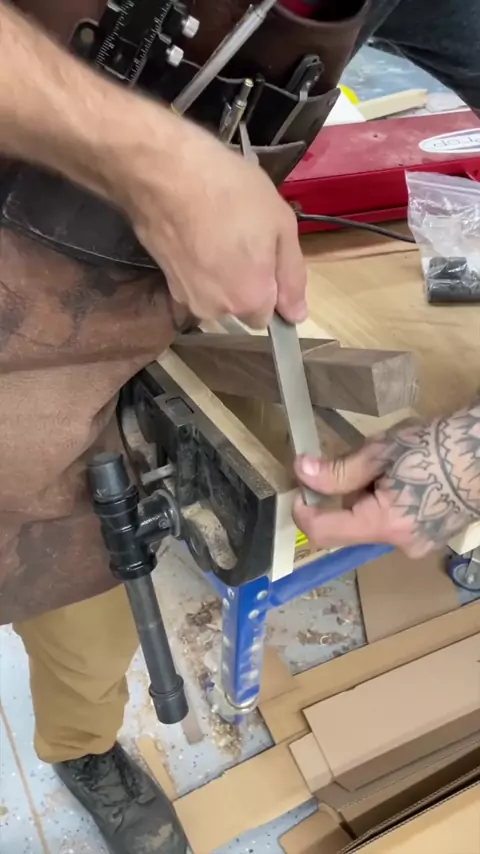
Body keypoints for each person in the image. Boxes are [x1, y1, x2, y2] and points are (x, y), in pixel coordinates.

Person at [0, 1, 479, 852]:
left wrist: (470, 459)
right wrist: (141, 156)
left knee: (80, 588)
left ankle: (80, 744)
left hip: (114, 305)